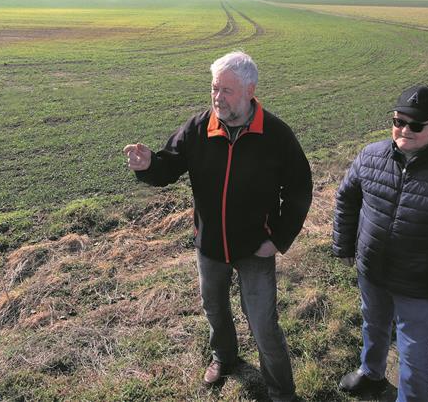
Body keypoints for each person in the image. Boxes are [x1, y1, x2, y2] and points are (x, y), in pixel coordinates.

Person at [123, 51, 312, 402]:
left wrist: (280, 238)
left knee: (263, 325)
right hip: (209, 245)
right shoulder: (199, 128)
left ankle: (282, 392)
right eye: (214, 88)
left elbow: (300, 188)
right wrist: (149, 165)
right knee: (214, 309)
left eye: (226, 90)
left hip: (257, 247)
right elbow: (169, 166)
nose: (217, 97)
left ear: (250, 90)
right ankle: (224, 357)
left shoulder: (275, 134)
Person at [332, 85, 428, 401]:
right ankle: (371, 372)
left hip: (421, 283)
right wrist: (345, 244)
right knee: (373, 326)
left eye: (415, 125)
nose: (404, 130)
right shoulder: (371, 155)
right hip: (372, 271)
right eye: (398, 121)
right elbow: (346, 199)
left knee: (414, 354)